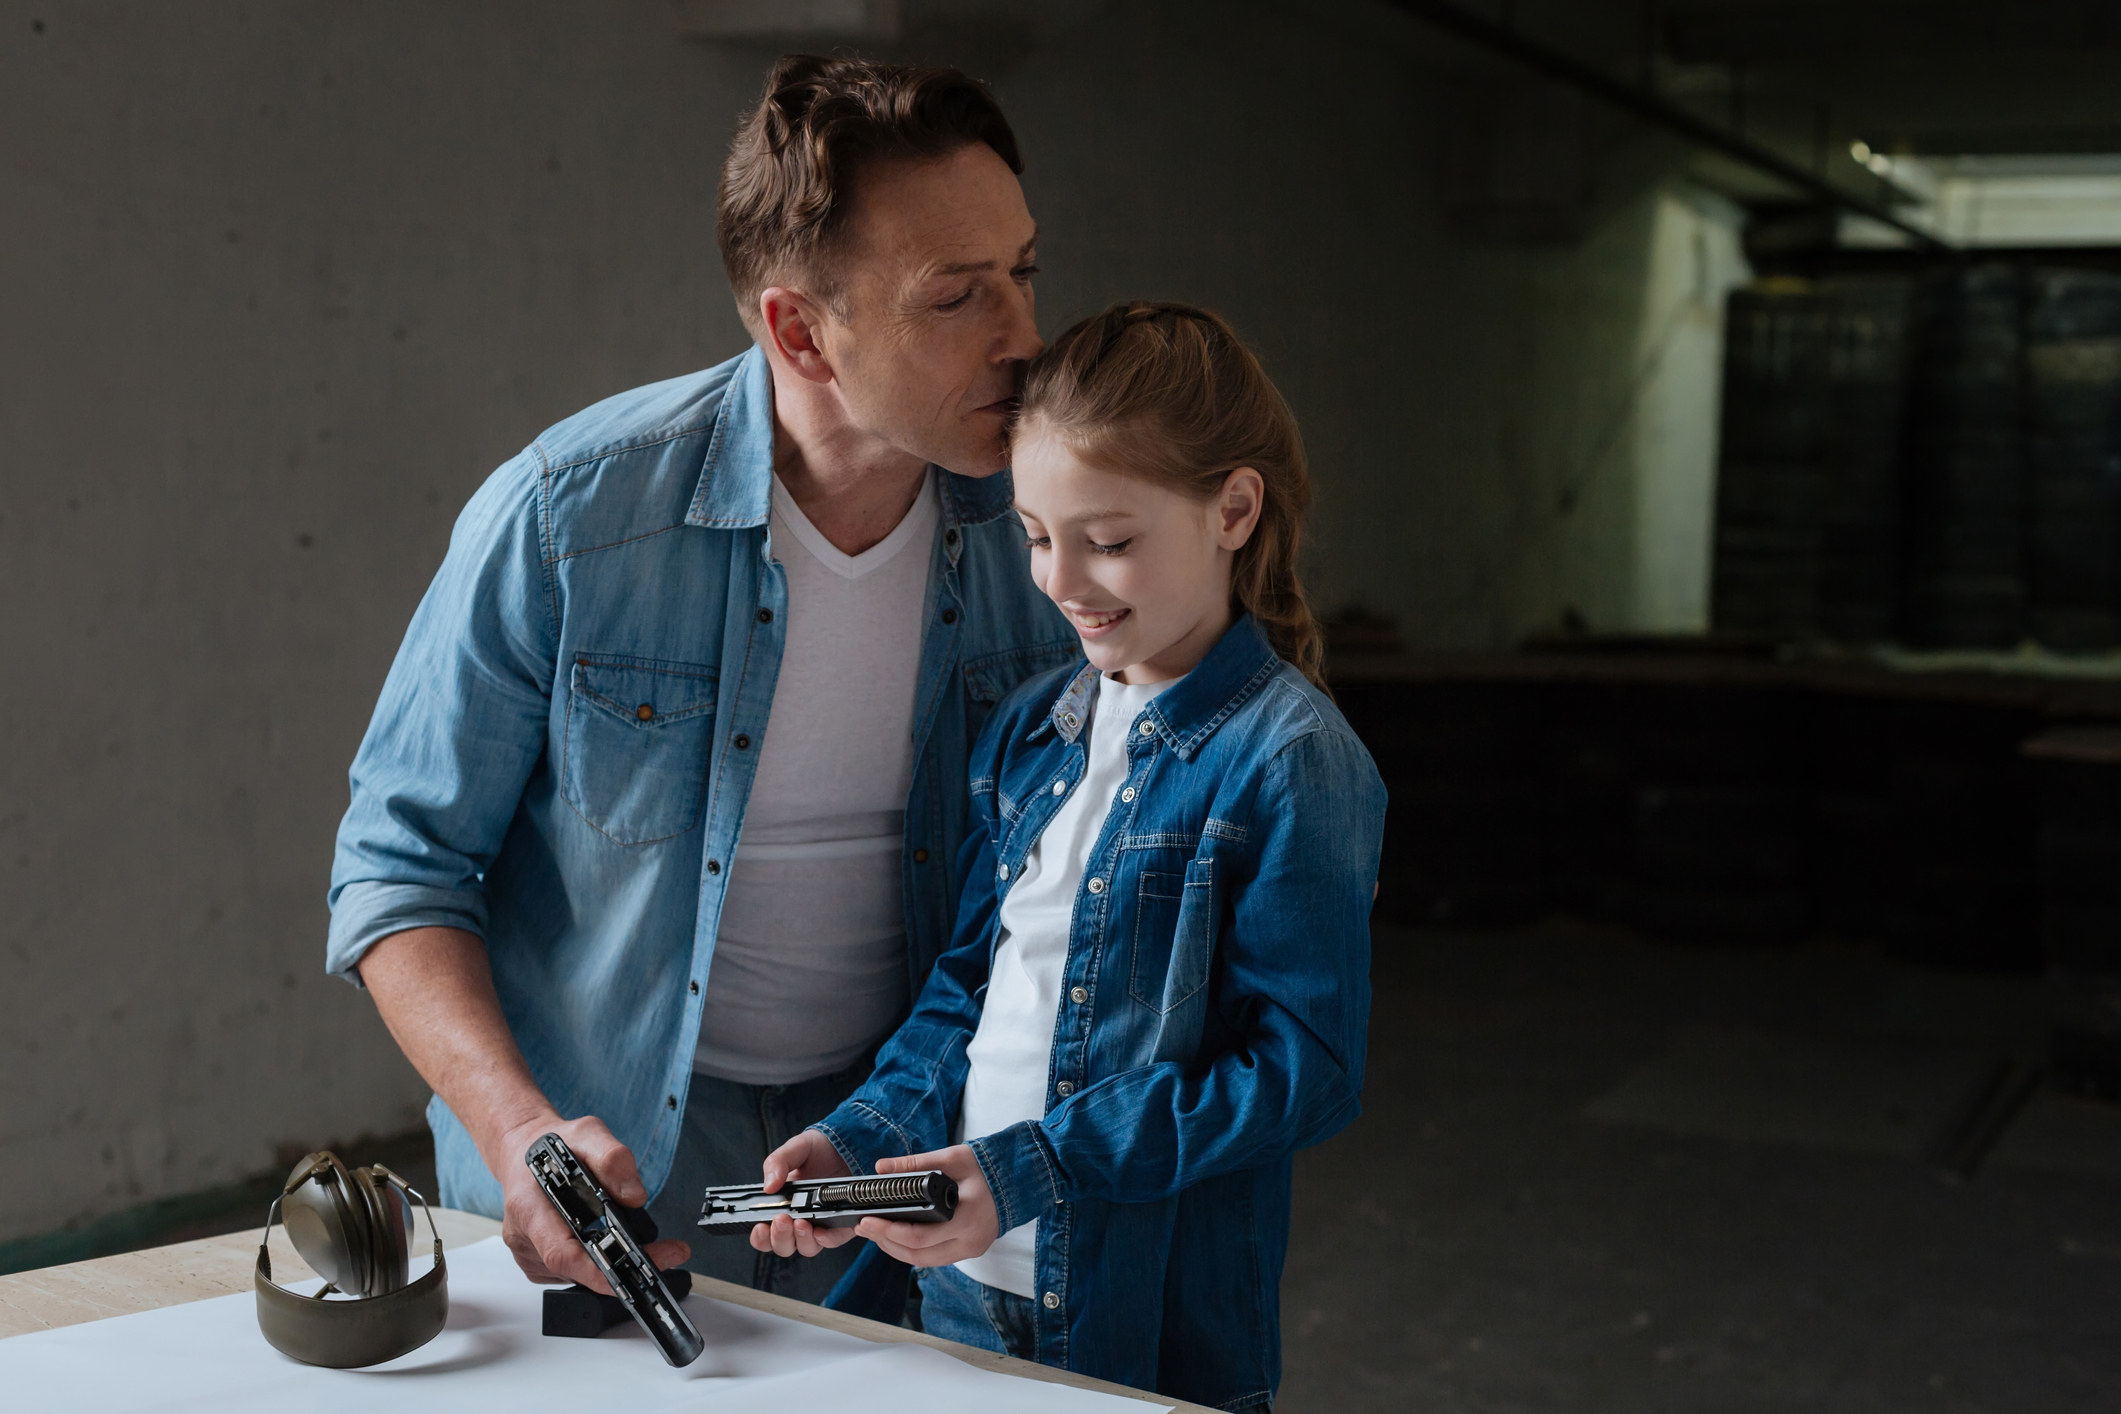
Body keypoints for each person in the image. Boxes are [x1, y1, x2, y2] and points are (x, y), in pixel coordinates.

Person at [324, 54, 1075, 1305]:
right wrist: (522, 1135)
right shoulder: (571, 520)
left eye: (1025, 272)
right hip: (606, 1165)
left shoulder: (1048, 538)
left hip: (890, 1151)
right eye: (957, 298)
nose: (1025, 339)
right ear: (798, 330)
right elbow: (399, 865)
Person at [747, 302, 1388, 1410]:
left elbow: (1302, 1073)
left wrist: (1035, 1167)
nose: (1061, 580)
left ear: (1234, 509)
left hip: (1132, 1319)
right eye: (1038, 535)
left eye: (1112, 540)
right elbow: (968, 994)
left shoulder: (1290, 761)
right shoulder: (1035, 731)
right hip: (947, 1284)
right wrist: (864, 1144)